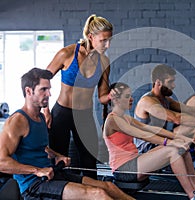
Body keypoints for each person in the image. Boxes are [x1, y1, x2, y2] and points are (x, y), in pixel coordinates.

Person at [0, 68, 134, 200]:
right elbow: (1, 162)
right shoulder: (17, 121)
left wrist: (57, 156)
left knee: (108, 187)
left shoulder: (40, 117)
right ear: (28, 91)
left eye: (49, 89)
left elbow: (40, 147)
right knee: (97, 194)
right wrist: (36, 170)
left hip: (53, 174)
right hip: (35, 185)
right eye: (43, 90)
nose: (49, 94)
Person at [103, 82, 195, 200]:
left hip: (134, 162)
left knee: (182, 148)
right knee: (172, 152)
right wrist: (170, 142)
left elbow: (151, 128)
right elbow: (143, 135)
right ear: (116, 100)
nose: (131, 99)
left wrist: (178, 138)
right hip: (124, 169)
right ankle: (193, 196)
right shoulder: (113, 120)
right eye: (127, 96)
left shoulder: (125, 118)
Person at [134, 64, 195, 186]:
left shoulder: (165, 100)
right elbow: (177, 118)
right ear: (158, 82)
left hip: (162, 140)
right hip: (148, 150)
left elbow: (191, 110)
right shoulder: (147, 101)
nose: (173, 86)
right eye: (170, 82)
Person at [44, 14, 115, 178]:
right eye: (103, 40)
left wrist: (112, 96)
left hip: (84, 115)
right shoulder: (66, 54)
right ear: (91, 37)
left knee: (89, 160)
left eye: (109, 40)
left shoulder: (104, 62)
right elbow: (42, 79)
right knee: (60, 159)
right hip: (62, 113)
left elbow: (102, 96)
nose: (108, 44)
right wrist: (45, 110)